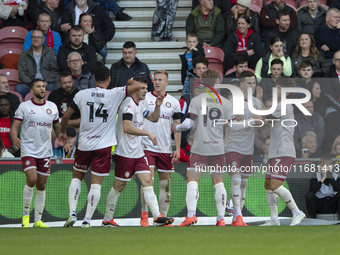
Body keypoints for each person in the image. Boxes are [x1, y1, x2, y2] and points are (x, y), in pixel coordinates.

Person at [59, 66, 142, 228]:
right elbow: (137, 86)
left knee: (77, 177)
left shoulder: (82, 94)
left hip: (84, 144)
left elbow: (67, 115)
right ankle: (87, 220)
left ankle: (72, 213)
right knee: (96, 184)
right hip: (103, 146)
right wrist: (129, 81)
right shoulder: (114, 93)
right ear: (109, 79)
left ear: (94, 79)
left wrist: (62, 131)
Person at [102, 76, 174, 227]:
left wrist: (158, 106)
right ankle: (107, 219)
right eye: (142, 88)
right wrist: (147, 133)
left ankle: (157, 217)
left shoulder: (140, 105)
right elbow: (127, 127)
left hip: (138, 152)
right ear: (134, 89)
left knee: (148, 181)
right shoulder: (127, 105)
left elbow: (154, 118)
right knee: (118, 186)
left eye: (146, 88)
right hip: (125, 152)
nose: (145, 91)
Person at [173, 69, 232, 227]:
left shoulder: (197, 100)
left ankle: (191, 215)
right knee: (218, 182)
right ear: (217, 82)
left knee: (192, 180)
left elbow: (189, 123)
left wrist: (176, 128)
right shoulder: (226, 102)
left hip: (200, 146)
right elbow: (231, 127)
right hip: (218, 147)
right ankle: (221, 219)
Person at [10, 78, 60, 228]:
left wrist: (60, 136)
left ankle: (38, 220)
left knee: (42, 185)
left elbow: (57, 127)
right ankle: (25, 217)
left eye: (43, 86)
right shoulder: (24, 107)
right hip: (28, 149)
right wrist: (14, 136)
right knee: (32, 179)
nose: (42, 89)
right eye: (38, 87)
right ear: (31, 91)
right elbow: (15, 126)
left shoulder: (52, 107)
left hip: (45, 151)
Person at [260, 77, 306, 226]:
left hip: (284, 151)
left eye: (279, 88)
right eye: (276, 87)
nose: (276, 90)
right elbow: (264, 124)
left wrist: (259, 100)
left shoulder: (284, 105)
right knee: (268, 185)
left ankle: (297, 212)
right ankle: (274, 219)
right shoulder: (278, 105)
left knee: (274, 185)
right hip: (275, 151)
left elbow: (265, 116)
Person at [140, 70, 182, 226]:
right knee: (147, 182)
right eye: (155, 79)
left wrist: (176, 148)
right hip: (147, 146)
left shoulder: (174, 102)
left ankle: (163, 217)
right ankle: (145, 215)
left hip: (164, 148)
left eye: (160, 80)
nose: (157, 82)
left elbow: (176, 127)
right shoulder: (145, 98)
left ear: (167, 82)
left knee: (165, 185)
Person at [224, 71, 262, 226]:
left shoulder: (257, 103)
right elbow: (230, 125)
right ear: (240, 85)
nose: (251, 86)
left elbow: (260, 123)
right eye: (248, 83)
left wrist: (256, 119)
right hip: (233, 145)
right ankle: (238, 215)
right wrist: (251, 121)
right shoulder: (232, 101)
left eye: (253, 83)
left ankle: (236, 217)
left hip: (248, 147)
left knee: (244, 182)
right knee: (236, 179)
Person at [16, 29, 59, 100]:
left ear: (43, 39)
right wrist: (32, 85)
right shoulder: (24, 54)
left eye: (38, 37)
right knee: (19, 88)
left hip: (46, 83)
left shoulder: (51, 53)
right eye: (34, 37)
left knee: (53, 87)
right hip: (29, 84)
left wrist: (45, 82)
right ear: (31, 39)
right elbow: (22, 72)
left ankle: (51, 109)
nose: (36, 39)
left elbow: (55, 70)